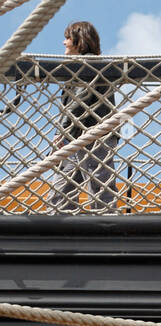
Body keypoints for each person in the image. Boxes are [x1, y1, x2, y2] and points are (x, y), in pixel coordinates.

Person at [49, 21, 117, 214]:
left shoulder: (87, 62)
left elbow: (80, 100)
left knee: (94, 186)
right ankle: (105, 224)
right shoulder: (83, 64)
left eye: (67, 38)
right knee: (96, 186)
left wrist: (62, 133)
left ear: (79, 40)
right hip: (85, 135)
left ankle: (59, 227)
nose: (63, 42)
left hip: (91, 135)